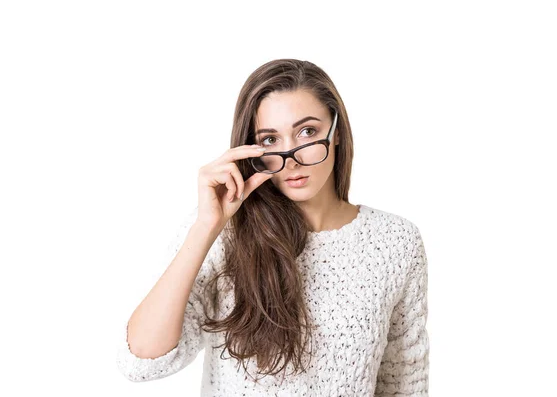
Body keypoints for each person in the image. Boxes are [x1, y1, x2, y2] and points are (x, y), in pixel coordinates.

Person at [116, 58, 430, 396]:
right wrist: (206, 226)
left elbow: (404, 382)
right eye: (269, 140)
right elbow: (141, 362)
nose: (291, 158)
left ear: (336, 132)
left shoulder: (396, 241)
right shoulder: (226, 234)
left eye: (307, 132)